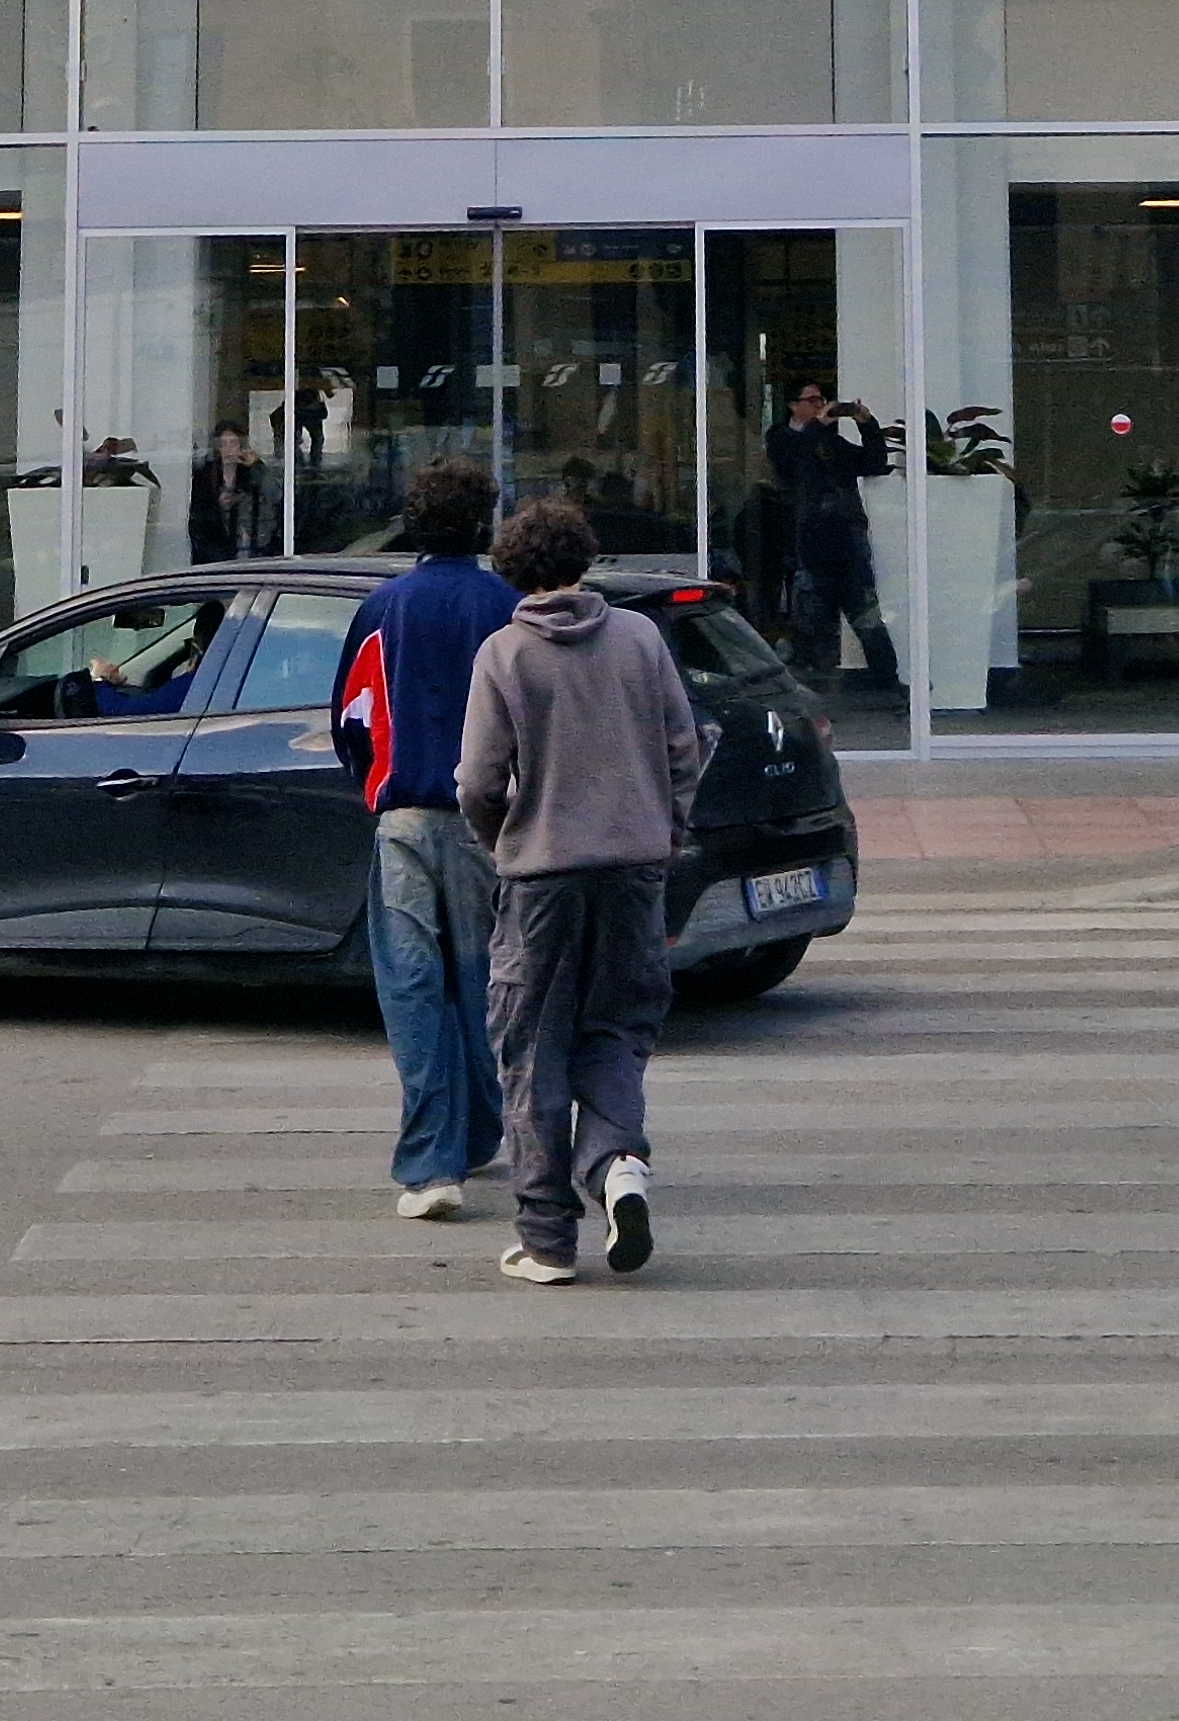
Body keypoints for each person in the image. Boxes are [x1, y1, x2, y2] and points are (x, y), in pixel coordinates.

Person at [454, 496, 705, 1285]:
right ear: (586, 559)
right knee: (617, 1029)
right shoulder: (640, 637)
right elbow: (683, 748)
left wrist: (504, 841)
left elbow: (478, 781)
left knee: (531, 1048)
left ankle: (547, 1240)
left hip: (543, 878)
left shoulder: (504, 654)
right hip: (634, 869)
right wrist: (663, 830)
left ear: (514, 571)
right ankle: (618, 1165)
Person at [334, 459, 511, 1223]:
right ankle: (477, 1131)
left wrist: (375, 781)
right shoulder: (506, 605)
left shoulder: (383, 607)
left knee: (411, 985)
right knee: (479, 979)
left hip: (404, 814)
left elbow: (353, 716)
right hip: (489, 820)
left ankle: (431, 1163)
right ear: (483, 522)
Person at [759, 386, 895, 690]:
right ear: (794, 406)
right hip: (811, 543)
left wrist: (866, 423)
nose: (821, 405)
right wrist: (819, 422)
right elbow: (794, 459)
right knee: (812, 619)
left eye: (822, 400)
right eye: (812, 400)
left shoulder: (834, 445)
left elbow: (873, 462)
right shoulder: (783, 438)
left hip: (848, 542)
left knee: (865, 614)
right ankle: (810, 683)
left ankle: (887, 683)